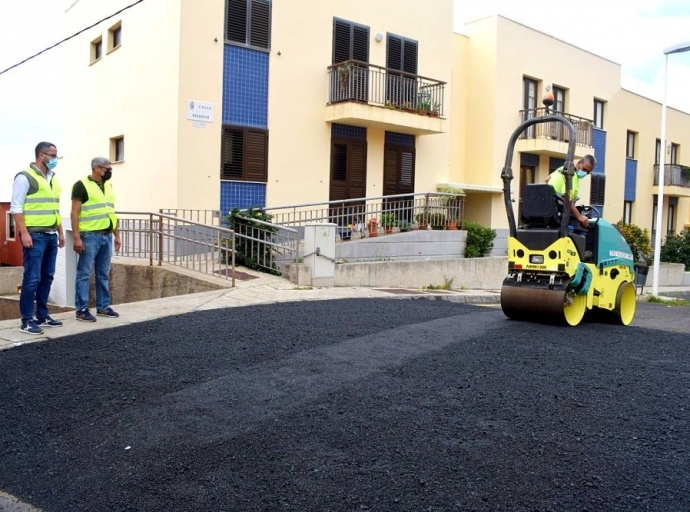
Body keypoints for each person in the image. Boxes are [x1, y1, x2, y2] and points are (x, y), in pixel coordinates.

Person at [10, 142, 66, 335]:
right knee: (32, 279)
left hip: (50, 234)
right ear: (42, 155)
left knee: (47, 277)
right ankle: (26, 321)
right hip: (34, 235)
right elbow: (16, 208)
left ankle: (42, 316)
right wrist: (24, 233)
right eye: (53, 155)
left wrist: (60, 231)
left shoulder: (53, 179)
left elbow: (54, 208)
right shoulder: (25, 177)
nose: (55, 159)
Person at [71, 156, 121, 322]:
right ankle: (82, 309)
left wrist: (117, 235)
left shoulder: (109, 186)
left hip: (106, 236)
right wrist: (76, 237)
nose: (110, 171)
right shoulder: (81, 185)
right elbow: (74, 213)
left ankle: (103, 307)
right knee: (84, 273)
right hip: (89, 236)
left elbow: (111, 212)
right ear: (97, 168)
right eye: (107, 169)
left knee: (103, 273)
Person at [545, 154, 597, 228]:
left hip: (547, 209)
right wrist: (579, 216)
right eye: (585, 169)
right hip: (557, 213)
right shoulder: (571, 175)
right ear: (579, 163)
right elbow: (566, 199)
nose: (585, 173)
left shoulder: (562, 168)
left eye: (588, 172)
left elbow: (546, 180)